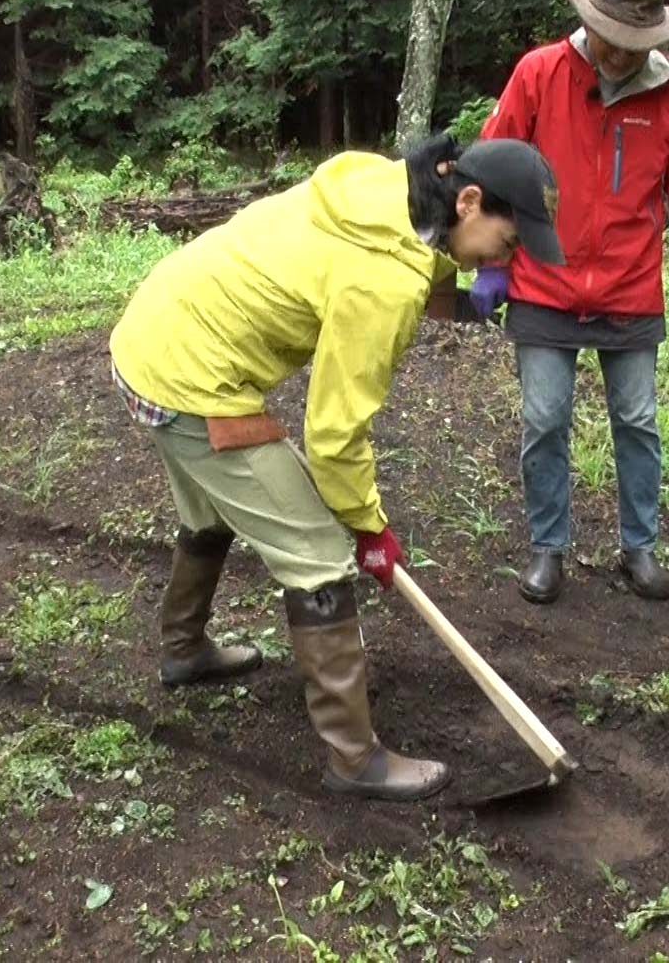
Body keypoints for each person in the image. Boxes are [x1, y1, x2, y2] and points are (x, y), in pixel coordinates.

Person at [108, 135, 564, 801]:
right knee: (318, 551)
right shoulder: (382, 281)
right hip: (189, 378)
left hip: (156, 333)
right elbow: (333, 436)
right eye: (509, 241)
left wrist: (461, 299)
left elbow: (421, 255)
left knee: (214, 504)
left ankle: (183, 649)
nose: (509, 257)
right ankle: (355, 759)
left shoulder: (389, 190)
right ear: (467, 198)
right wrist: (368, 528)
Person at [475, 0, 669, 606]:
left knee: (638, 420)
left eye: (634, 45)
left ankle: (639, 547)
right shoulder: (540, 73)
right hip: (544, 279)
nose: (620, 56)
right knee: (544, 418)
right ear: (593, 26)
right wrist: (491, 264)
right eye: (612, 39)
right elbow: (495, 164)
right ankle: (547, 548)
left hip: (629, 286)